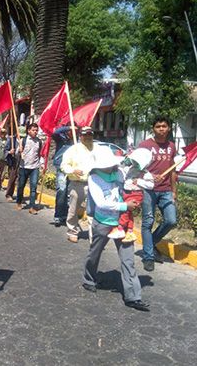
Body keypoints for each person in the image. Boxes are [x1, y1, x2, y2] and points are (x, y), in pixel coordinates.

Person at [82, 145, 149, 311]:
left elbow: (131, 186)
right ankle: (89, 279)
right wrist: (125, 205)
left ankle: (133, 296)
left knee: (128, 260)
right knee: (94, 254)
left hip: (123, 222)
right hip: (103, 221)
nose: (111, 166)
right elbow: (101, 202)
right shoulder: (94, 178)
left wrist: (141, 185)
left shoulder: (120, 172)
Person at [138, 116, 178, 272]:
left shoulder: (172, 146)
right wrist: (149, 175)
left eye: (164, 126)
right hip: (149, 189)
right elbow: (135, 167)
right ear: (153, 129)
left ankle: (150, 243)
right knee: (148, 222)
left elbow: (173, 170)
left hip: (166, 190)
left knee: (171, 220)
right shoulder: (144, 146)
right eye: (158, 126)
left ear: (169, 128)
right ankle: (148, 256)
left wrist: (174, 191)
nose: (161, 129)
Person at [107, 148, 154, 243]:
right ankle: (129, 231)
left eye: (137, 162)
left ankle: (120, 228)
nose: (135, 163)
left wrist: (139, 181)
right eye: (134, 161)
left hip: (136, 194)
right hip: (127, 192)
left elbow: (151, 185)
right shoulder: (131, 168)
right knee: (128, 213)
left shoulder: (145, 173)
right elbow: (122, 170)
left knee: (126, 211)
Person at [61, 127, 95, 243]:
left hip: (93, 184)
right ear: (80, 136)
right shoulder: (73, 150)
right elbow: (64, 165)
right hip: (77, 183)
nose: (88, 137)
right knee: (74, 209)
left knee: (93, 211)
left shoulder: (97, 149)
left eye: (90, 134)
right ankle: (72, 231)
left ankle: (93, 235)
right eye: (85, 135)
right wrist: (73, 170)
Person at [16, 123, 42, 214]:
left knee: (33, 188)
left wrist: (41, 164)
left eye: (36, 130)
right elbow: (16, 154)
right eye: (33, 130)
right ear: (28, 131)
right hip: (23, 167)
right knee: (21, 186)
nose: (35, 132)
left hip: (34, 167)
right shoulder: (23, 140)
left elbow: (39, 154)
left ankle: (32, 206)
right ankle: (19, 202)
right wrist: (19, 151)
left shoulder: (39, 141)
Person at [51, 125, 75, 226]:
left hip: (72, 169)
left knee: (69, 193)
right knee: (61, 190)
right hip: (61, 168)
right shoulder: (61, 139)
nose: (72, 132)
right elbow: (55, 132)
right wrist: (69, 127)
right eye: (70, 130)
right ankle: (58, 215)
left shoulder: (77, 141)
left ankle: (65, 215)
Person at [4, 132, 19, 201]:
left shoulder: (26, 140)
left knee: (21, 180)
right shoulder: (12, 140)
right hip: (13, 161)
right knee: (12, 178)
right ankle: (9, 194)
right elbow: (5, 150)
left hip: (23, 162)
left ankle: (19, 195)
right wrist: (10, 152)